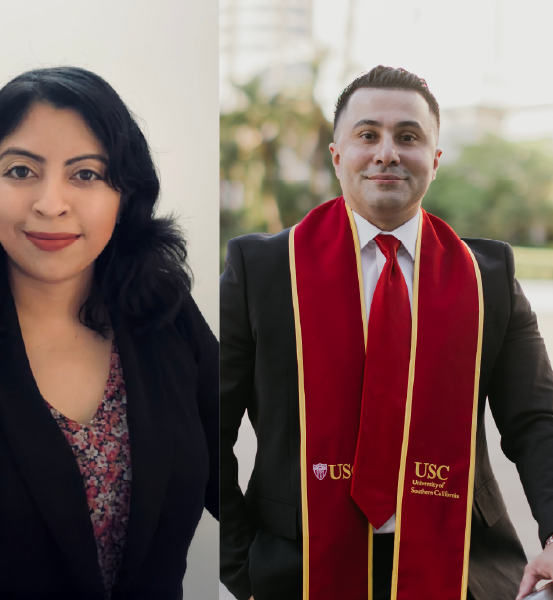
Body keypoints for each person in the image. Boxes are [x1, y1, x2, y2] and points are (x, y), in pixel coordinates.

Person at [220, 65, 553, 600]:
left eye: (409, 137)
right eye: (368, 134)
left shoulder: (486, 276)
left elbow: (536, 420)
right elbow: (208, 426)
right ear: (337, 156)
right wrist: (240, 563)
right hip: (297, 567)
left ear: (435, 160)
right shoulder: (262, 270)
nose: (387, 153)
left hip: (462, 565)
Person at [0, 66, 219, 600]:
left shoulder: (165, 314)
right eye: (21, 171)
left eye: (85, 174)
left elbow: (239, 486)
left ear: (125, 193)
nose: (50, 203)